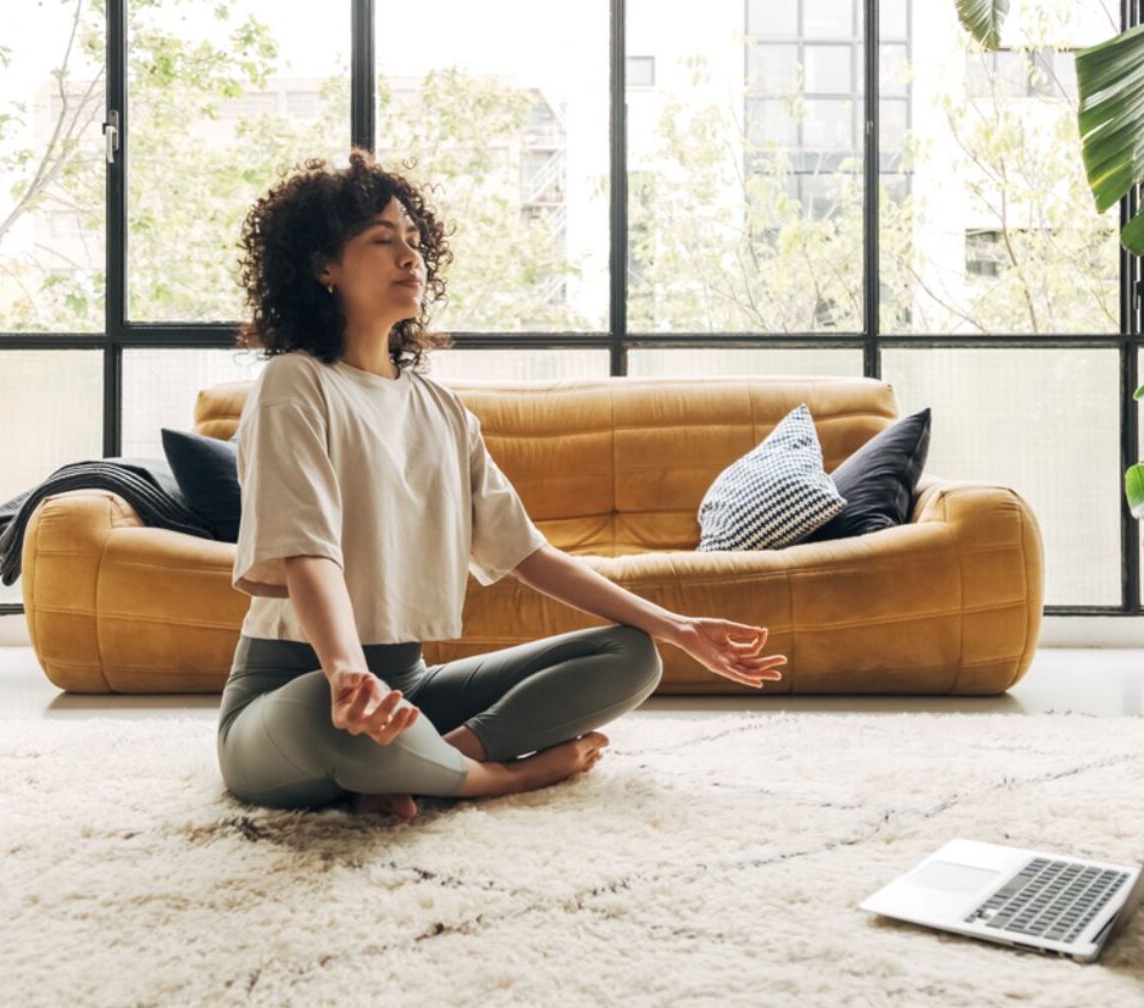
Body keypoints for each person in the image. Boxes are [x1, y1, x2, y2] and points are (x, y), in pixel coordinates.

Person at [218, 148, 787, 826]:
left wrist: (676, 625)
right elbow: (308, 551)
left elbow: (528, 554)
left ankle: (435, 757)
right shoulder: (295, 383)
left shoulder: (442, 410)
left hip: (408, 687)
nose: (411, 257)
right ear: (323, 267)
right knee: (328, 717)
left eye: (414, 241)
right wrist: (345, 674)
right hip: (293, 689)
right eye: (382, 240)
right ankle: (493, 779)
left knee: (631, 654)